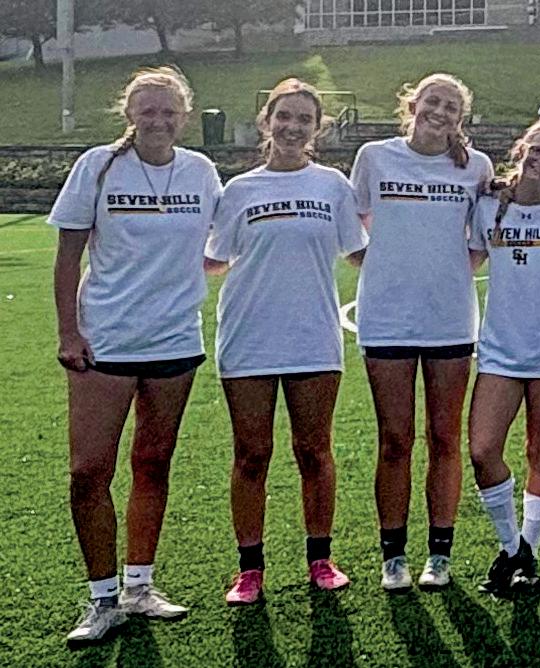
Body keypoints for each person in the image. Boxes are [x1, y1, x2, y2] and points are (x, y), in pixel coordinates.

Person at [53, 66, 221, 644]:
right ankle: (101, 599)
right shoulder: (98, 166)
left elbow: (227, 239)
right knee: (88, 472)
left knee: (152, 464)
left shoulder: (201, 171)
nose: (158, 120)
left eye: (168, 111)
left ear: (184, 116)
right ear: (129, 113)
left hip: (174, 342)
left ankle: (139, 586)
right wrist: (69, 333)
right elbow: (67, 257)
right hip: (106, 341)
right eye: (147, 109)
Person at [210, 78, 365, 606]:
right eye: (284, 116)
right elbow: (213, 260)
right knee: (251, 454)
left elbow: (360, 254)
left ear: (317, 128)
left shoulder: (333, 186)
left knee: (314, 451)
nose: (293, 127)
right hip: (248, 336)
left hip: (313, 337)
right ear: (266, 121)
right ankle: (249, 569)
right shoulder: (239, 190)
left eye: (304, 119)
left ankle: (320, 559)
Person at [350, 73, 493, 591]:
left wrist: (443, 272)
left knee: (444, 438)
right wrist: (386, 267)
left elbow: (478, 244)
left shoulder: (476, 166)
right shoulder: (374, 156)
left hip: (449, 319)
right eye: (433, 101)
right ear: (412, 105)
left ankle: (439, 554)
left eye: (451, 106)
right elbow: (350, 226)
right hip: (386, 318)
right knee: (395, 439)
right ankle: (393, 556)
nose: (440, 112)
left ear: (461, 118)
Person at [465, 119, 540, 597]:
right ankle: (512, 547)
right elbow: (467, 259)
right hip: (500, 349)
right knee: (483, 451)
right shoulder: (487, 203)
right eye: (538, 149)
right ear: (521, 148)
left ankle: (526, 555)